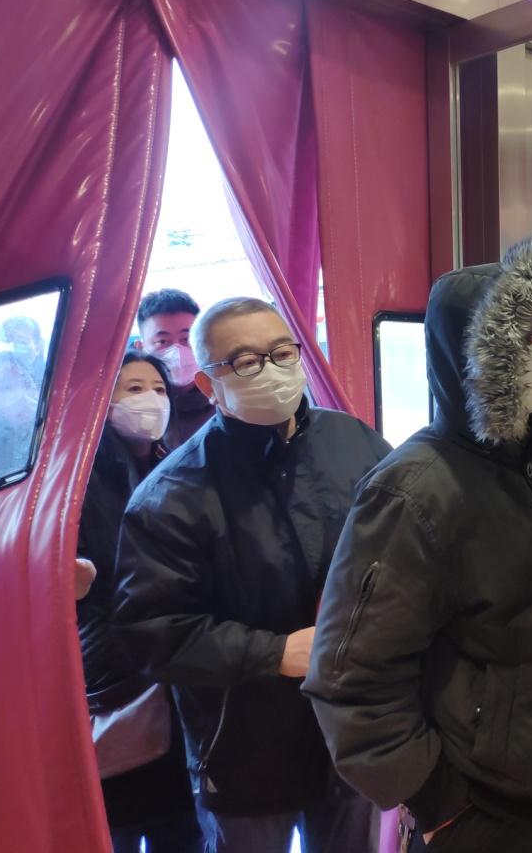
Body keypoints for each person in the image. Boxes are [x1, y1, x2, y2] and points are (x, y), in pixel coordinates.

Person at [305, 239, 532, 853]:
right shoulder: (413, 491)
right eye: (530, 338)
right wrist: (438, 801)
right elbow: (353, 679)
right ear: (481, 356)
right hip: (486, 819)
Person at [113, 298, 390, 853]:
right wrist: (274, 652)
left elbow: (400, 550)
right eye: (245, 361)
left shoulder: (355, 441)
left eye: (282, 352)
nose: (270, 369)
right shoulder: (170, 495)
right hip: (242, 751)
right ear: (209, 384)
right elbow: (150, 632)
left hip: (352, 731)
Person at [78, 350, 201, 853]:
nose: (151, 399)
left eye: (158, 389)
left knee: (182, 824)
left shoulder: (178, 467)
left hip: (175, 675)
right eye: (133, 389)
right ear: (101, 402)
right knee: (120, 824)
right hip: (119, 680)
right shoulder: (81, 481)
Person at [136, 288, 215, 449]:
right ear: (141, 348)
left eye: (187, 339)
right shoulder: (131, 405)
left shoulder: (226, 397)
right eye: (162, 341)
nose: (177, 351)